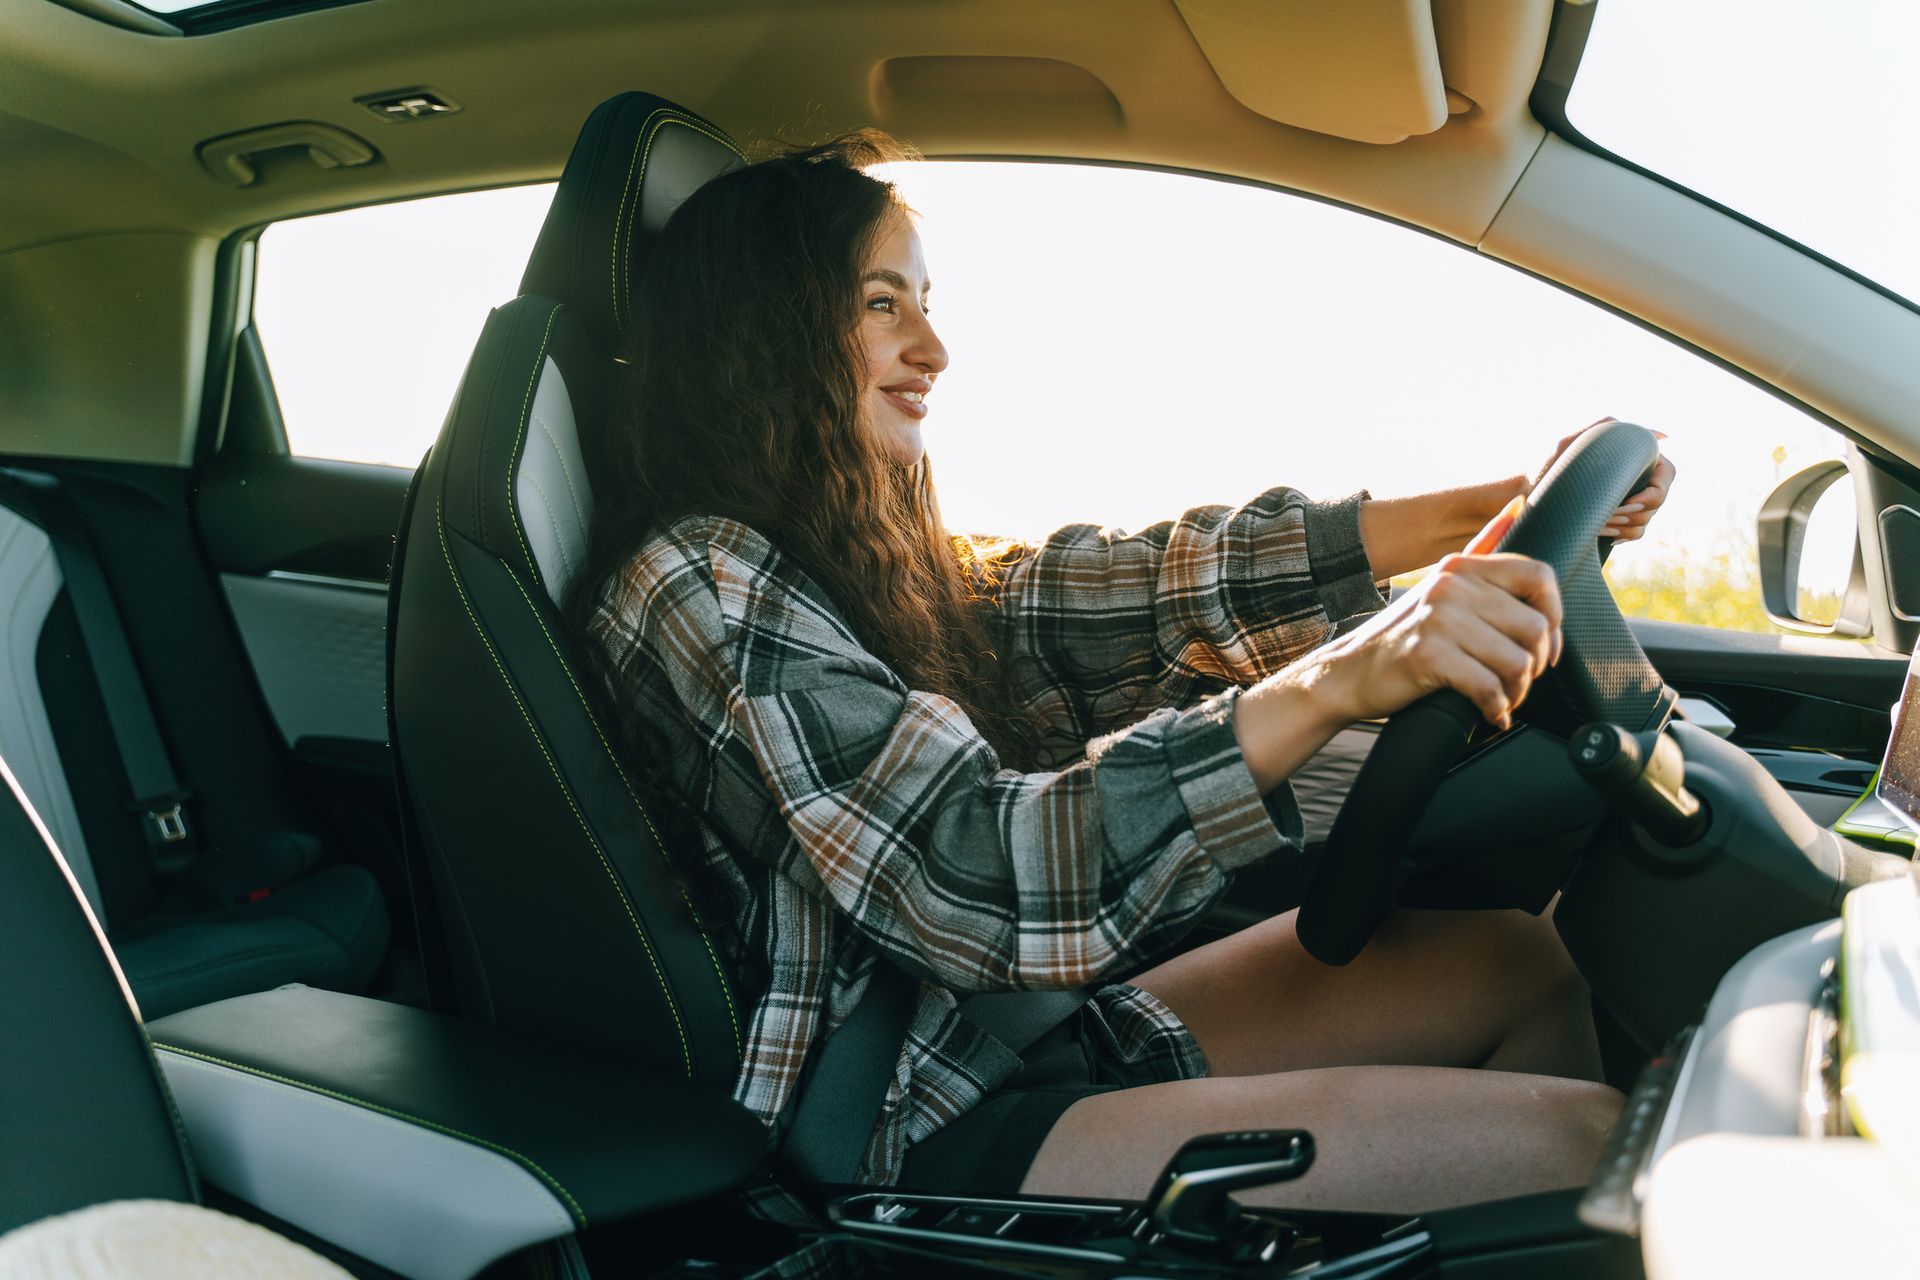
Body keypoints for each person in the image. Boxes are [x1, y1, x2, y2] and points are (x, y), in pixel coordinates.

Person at [567, 132, 1673, 1214]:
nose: (934, 348)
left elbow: (1116, 594)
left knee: (1524, 960)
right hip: (900, 1118)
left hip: (995, 1031)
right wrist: (1334, 680)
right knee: (1585, 1144)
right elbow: (971, 869)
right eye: (881, 303)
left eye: (925, 299)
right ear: (768, 334)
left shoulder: (856, 562)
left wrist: (1485, 512)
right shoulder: (702, 578)